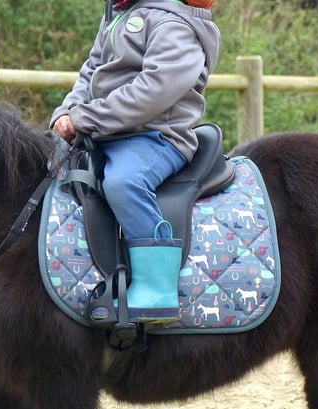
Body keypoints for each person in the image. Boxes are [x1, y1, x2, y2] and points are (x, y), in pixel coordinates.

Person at [50, 0, 220, 322]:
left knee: (124, 181)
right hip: (105, 131)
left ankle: (156, 289)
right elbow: (91, 70)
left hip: (155, 136)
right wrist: (67, 111)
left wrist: (85, 117)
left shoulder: (174, 24)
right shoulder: (118, 15)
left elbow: (154, 91)